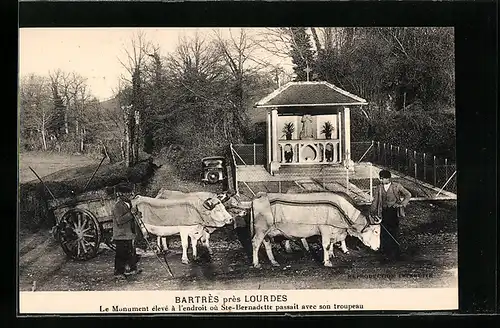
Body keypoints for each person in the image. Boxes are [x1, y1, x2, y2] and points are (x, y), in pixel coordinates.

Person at [370, 169, 412, 262]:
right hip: (383, 212)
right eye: (380, 179)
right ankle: (384, 252)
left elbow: (408, 194)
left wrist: (402, 204)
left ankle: (395, 252)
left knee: (393, 231)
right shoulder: (379, 188)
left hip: (393, 212)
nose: (381, 181)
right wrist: (372, 211)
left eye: (383, 179)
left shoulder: (396, 186)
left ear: (388, 178)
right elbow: (375, 201)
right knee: (384, 232)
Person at [112, 183, 142, 280]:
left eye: (130, 193)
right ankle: (118, 273)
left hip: (129, 233)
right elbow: (119, 220)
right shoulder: (118, 206)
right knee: (121, 254)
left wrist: (137, 214)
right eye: (128, 193)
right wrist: (131, 214)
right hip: (121, 234)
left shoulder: (129, 203)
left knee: (131, 252)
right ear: (121, 194)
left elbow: (133, 215)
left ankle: (131, 269)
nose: (130, 195)